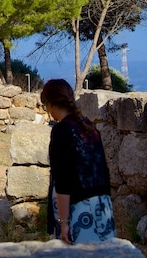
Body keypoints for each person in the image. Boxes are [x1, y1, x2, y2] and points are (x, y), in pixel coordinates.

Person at [42, 78, 117, 244]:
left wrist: (63, 223)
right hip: (102, 205)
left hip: (79, 209)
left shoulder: (61, 130)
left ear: (50, 103)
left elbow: (62, 179)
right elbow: (103, 169)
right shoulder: (88, 126)